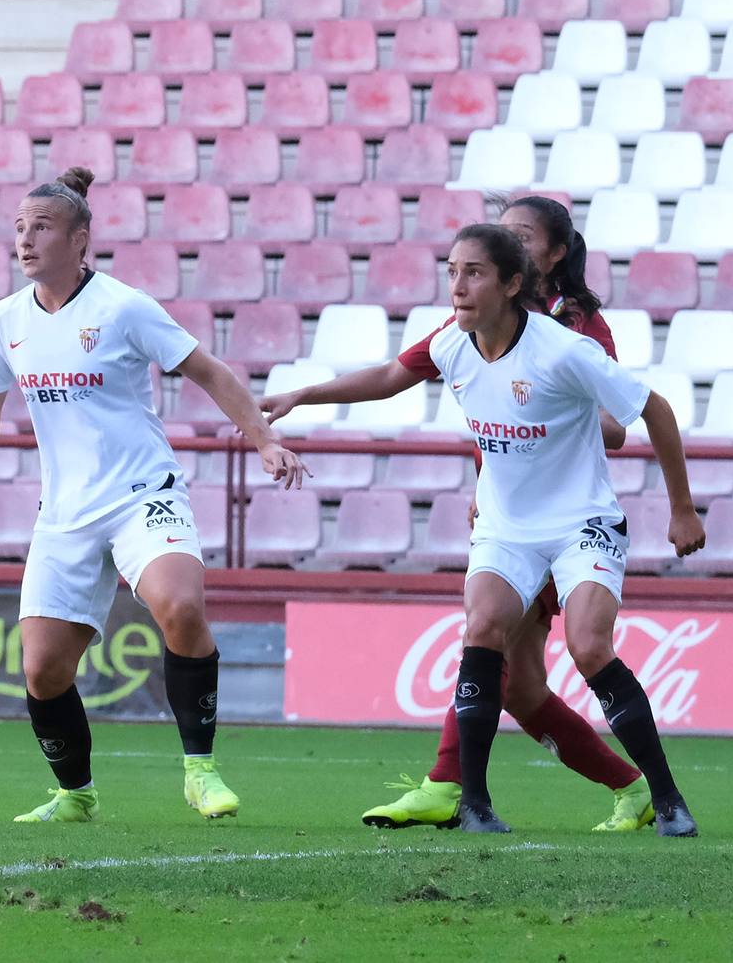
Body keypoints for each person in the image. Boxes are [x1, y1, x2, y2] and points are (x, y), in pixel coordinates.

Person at [269, 223, 704, 835]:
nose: (458, 286)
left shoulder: (563, 348)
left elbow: (652, 409)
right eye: (451, 271)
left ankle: (667, 799)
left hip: (582, 523)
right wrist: (302, 395)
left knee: (588, 647)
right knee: (483, 630)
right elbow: (389, 378)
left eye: (473, 272)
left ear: (513, 283)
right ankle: (472, 804)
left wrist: (681, 508)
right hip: (506, 529)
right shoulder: (452, 344)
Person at [0, 168, 305, 825]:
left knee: (182, 606)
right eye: (20, 228)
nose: (26, 240)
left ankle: (201, 771)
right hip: (65, 514)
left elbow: (208, 370)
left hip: (143, 494)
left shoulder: (123, 307)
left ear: (81, 239)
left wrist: (263, 440)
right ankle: (75, 794)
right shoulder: (5, 321)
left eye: (42, 227)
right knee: (43, 672)